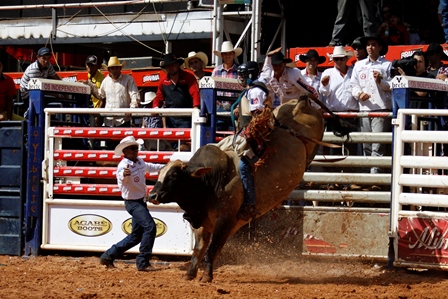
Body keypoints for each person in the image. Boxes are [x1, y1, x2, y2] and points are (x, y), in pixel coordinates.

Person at [99, 136, 165, 271]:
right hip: (134, 203)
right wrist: (124, 174)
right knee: (150, 227)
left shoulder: (139, 162)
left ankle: (108, 256)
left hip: (138, 202)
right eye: (133, 148)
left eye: (137, 148)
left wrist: (166, 167)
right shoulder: (123, 166)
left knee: (136, 236)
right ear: (126, 151)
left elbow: (150, 167)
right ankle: (143, 262)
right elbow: (120, 177)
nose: (136, 150)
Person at [350, 35, 392, 187]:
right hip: (364, 109)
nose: (370, 47)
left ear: (380, 47)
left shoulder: (387, 65)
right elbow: (353, 84)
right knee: (367, 145)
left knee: (377, 145)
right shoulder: (359, 65)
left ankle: (375, 179)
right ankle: (369, 178)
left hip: (381, 108)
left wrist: (381, 81)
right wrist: (359, 94)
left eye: (373, 44)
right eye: (368, 45)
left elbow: (392, 86)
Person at [319, 46, 361, 191]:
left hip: (351, 114)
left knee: (351, 148)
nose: (338, 61)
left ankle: (349, 180)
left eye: (341, 59)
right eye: (336, 59)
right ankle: (334, 180)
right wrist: (324, 85)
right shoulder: (328, 73)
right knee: (334, 149)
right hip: (334, 115)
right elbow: (323, 92)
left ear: (346, 59)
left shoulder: (353, 72)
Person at [233, 61, 269, 221]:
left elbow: (257, 117)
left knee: (243, 166)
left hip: (255, 134)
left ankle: (250, 203)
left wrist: (248, 137)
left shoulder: (255, 91)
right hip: (249, 131)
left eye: (242, 75)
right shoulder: (254, 89)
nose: (240, 79)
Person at [152, 53, 200, 130]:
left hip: (186, 117)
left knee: (186, 141)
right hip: (170, 119)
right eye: (168, 66)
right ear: (166, 68)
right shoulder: (163, 81)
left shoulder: (188, 77)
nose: (170, 67)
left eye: (172, 65)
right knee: (171, 141)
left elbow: (195, 93)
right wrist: (155, 107)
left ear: (178, 65)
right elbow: (159, 97)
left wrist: (196, 108)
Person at [19, 47, 62, 115]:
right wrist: (56, 93)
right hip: (28, 94)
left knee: (57, 99)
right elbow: (37, 87)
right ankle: (29, 113)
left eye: (48, 58)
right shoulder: (34, 69)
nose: (46, 61)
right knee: (52, 99)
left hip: (38, 91)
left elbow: (56, 78)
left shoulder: (48, 65)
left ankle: (48, 118)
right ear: (38, 57)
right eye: (44, 58)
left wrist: (63, 88)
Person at [212, 41, 242, 130]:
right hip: (220, 108)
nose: (227, 56)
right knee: (219, 131)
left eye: (229, 54)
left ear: (233, 55)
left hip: (235, 109)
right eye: (225, 54)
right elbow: (212, 90)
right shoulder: (216, 71)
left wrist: (238, 107)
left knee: (233, 133)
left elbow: (244, 92)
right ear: (222, 56)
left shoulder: (240, 71)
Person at [84, 55, 105, 127]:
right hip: (92, 108)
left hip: (97, 110)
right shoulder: (90, 74)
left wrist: (98, 115)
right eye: (88, 65)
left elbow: (103, 99)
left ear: (96, 66)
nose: (90, 67)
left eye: (92, 65)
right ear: (86, 65)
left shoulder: (100, 79)